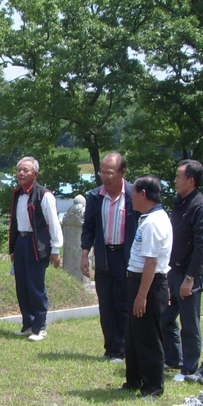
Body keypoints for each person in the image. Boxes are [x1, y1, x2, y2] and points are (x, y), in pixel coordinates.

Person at [81, 152, 137, 362]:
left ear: (122, 172)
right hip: (104, 256)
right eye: (102, 173)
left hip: (125, 256)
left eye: (110, 173)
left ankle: (121, 350)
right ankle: (109, 348)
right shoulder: (96, 196)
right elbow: (89, 227)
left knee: (123, 303)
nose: (105, 177)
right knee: (106, 304)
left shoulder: (133, 194)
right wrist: (85, 254)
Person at [162, 159, 203, 376]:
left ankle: (190, 369)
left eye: (178, 177)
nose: (175, 180)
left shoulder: (200, 207)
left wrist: (190, 278)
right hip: (174, 270)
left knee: (189, 323)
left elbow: (202, 245)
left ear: (190, 181)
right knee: (165, 318)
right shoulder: (180, 202)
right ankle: (174, 359)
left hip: (190, 274)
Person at [123, 175, 172, 398]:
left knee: (148, 336)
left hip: (148, 284)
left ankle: (153, 386)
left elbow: (151, 262)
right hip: (139, 280)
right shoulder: (147, 218)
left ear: (143, 194)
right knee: (134, 334)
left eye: (133, 192)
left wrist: (142, 296)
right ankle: (134, 379)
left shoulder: (154, 222)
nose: (131, 197)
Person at [8, 157, 63, 341]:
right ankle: (28, 324)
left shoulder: (44, 195)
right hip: (21, 242)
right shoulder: (18, 194)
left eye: (26, 170)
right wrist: (13, 248)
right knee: (22, 286)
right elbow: (15, 222)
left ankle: (40, 327)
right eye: (19, 170)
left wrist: (56, 249)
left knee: (35, 286)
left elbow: (53, 223)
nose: (21, 173)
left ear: (35, 174)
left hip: (36, 243)